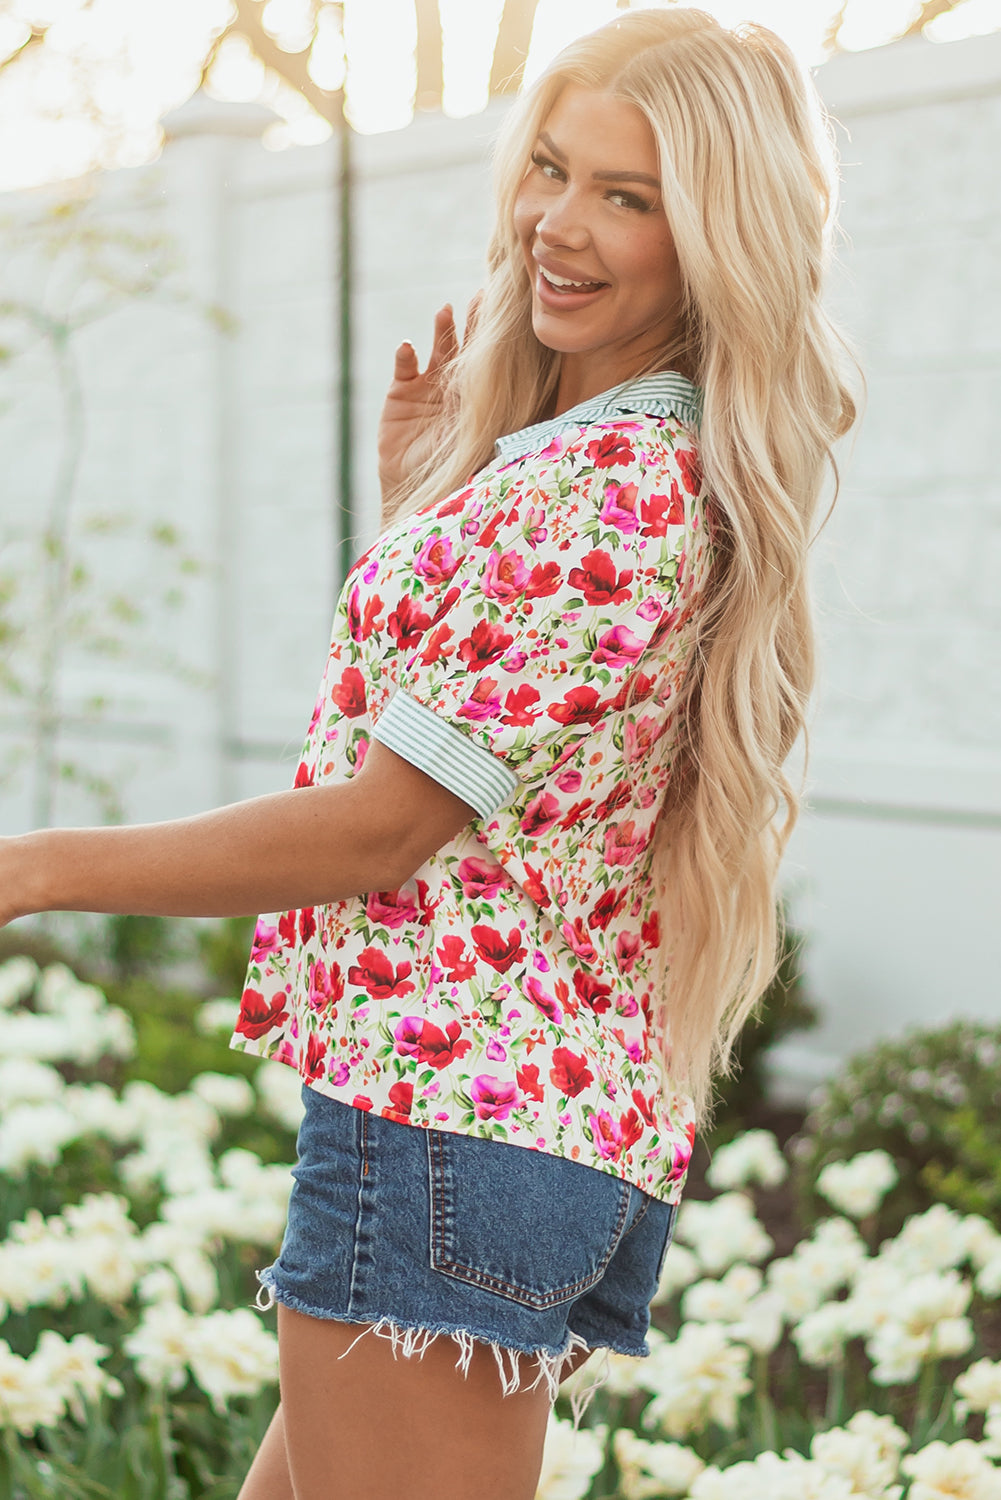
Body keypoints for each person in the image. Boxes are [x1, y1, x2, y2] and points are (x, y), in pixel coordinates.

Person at [0, 8, 857, 1499]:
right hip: (500, 1124)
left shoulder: (604, 494)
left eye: (625, 196)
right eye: (549, 167)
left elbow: (381, 828)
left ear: (716, 238)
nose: (555, 224)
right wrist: (427, 500)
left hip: (453, 1131)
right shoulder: (613, 469)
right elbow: (510, 775)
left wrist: (33, 868)